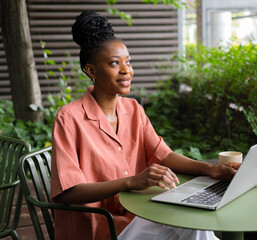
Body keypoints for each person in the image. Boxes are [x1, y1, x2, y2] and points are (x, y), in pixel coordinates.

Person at [50, 10, 240, 240]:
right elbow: (69, 192)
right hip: (101, 227)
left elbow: (164, 154)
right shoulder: (69, 118)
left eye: (128, 62)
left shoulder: (133, 110)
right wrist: (131, 181)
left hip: (138, 215)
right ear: (91, 70)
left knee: (194, 219)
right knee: (191, 224)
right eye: (114, 63)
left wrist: (211, 169)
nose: (126, 70)